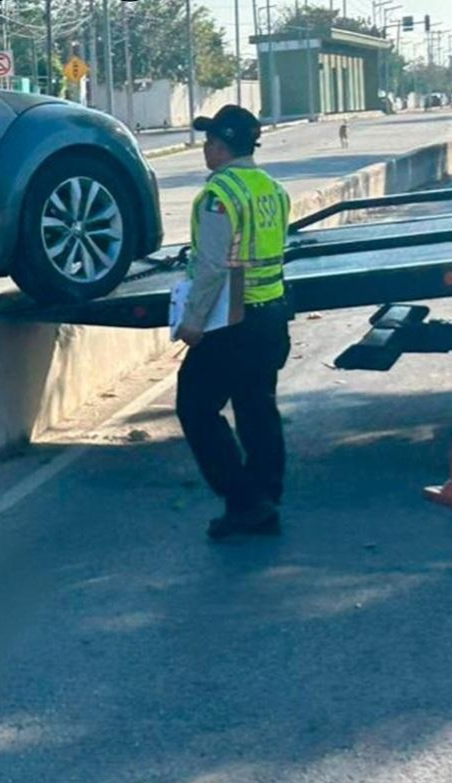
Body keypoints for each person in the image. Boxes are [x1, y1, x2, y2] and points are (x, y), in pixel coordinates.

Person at [174, 105, 293, 541]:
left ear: (221, 146)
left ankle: (244, 501)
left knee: (195, 407)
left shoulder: (218, 196)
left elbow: (211, 268)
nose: (205, 148)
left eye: (209, 141)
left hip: (232, 322)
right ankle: (266, 498)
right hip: (272, 313)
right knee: (257, 407)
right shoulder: (273, 189)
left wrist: (192, 322)